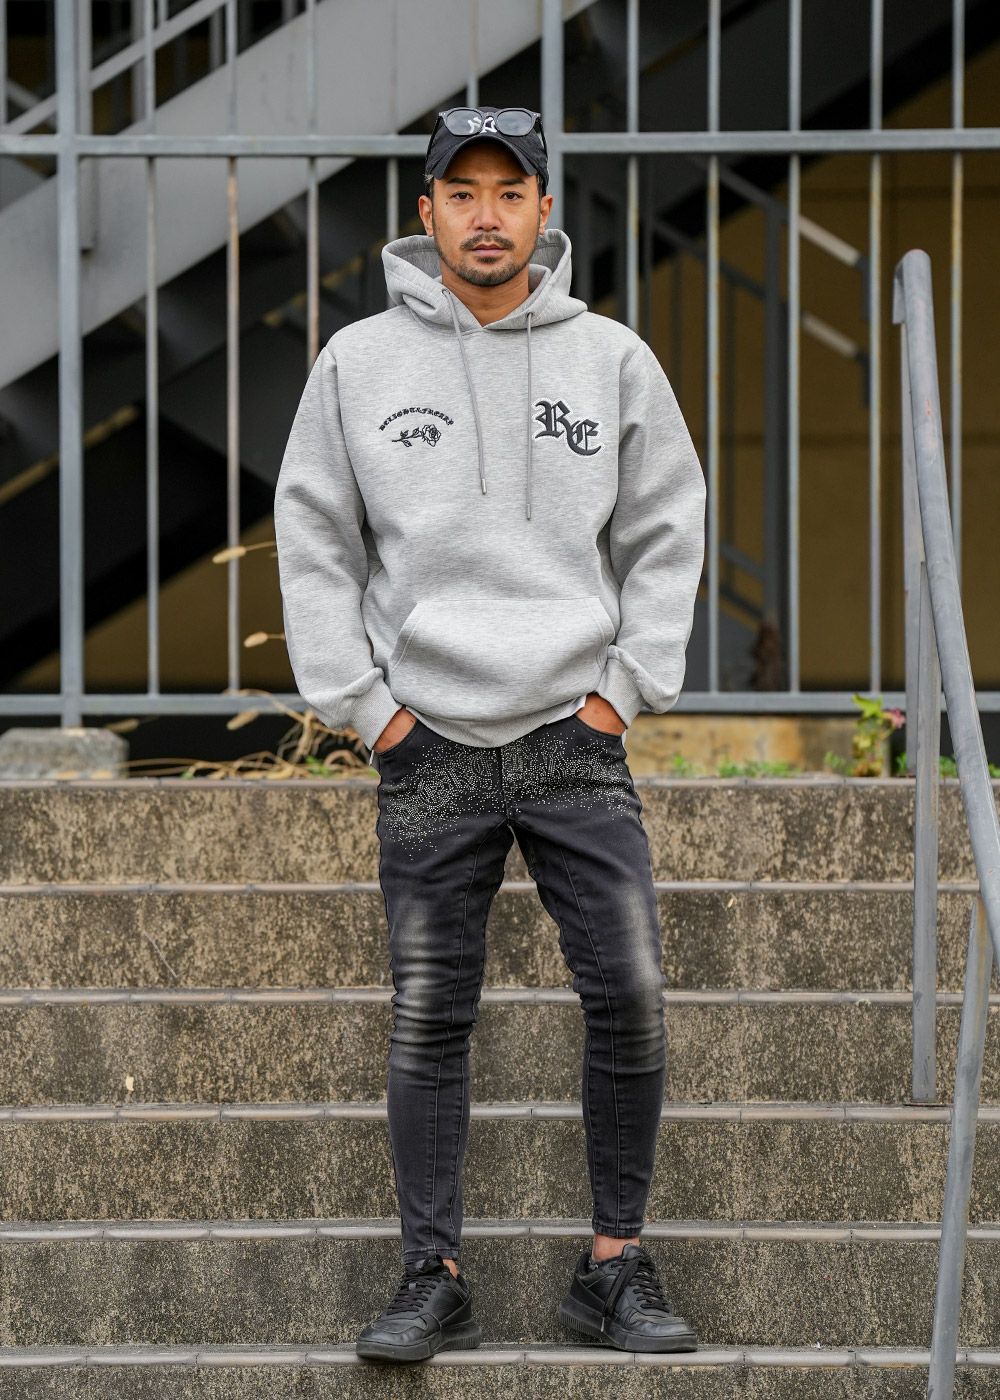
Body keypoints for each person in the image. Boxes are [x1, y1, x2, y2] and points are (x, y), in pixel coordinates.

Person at [273, 104, 707, 1363]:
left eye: (508, 193)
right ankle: (433, 1273)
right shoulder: (357, 361)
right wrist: (370, 710)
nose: (484, 215)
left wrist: (625, 687)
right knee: (428, 1011)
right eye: (460, 192)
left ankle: (612, 1267)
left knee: (629, 991)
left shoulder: (611, 357)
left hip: (574, 725)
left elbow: (667, 523)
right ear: (425, 213)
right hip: (428, 737)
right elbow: (314, 533)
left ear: (543, 210)